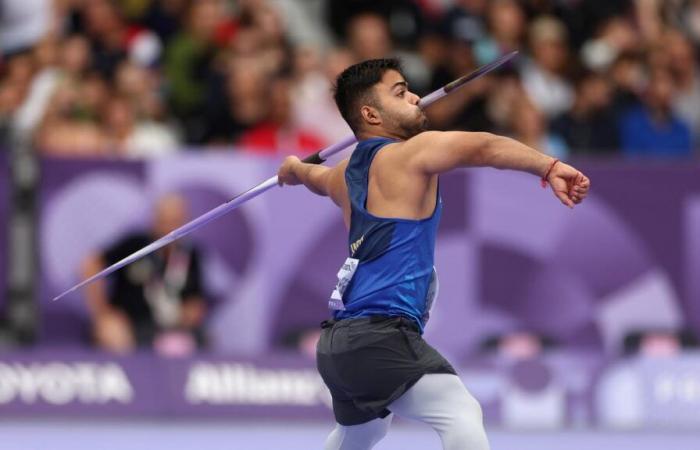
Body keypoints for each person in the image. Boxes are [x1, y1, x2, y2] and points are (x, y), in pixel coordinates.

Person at [277, 59, 590, 450]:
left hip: (338, 345)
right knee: (460, 412)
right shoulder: (412, 153)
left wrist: (292, 168)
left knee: (364, 431)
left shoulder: (341, 175)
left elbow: (313, 177)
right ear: (370, 113)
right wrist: (550, 166)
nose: (415, 97)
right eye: (400, 91)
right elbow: (485, 146)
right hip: (381, 335)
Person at [82, 194, 207, 356]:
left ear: (185, 221)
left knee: (183, 346)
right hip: (130, 326)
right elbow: (90, 264)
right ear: (154, 220)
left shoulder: (191, 255)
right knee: (111, 333)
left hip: (170, 329)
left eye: (175, 221)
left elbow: (196, 305)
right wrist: (104, 313)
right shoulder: (136, 245)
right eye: (164, 221)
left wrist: (185, 315)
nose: (170, 228)